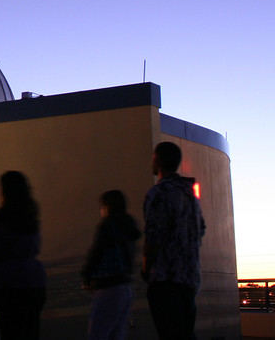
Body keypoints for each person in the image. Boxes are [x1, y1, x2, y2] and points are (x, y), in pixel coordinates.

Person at [142, 141, 206, 340]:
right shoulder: (190, 195)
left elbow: (154, 235)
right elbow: (201, 229)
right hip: (189, 278)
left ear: (157, 160)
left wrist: (146, 267)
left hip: (166, 279)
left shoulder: (159, 193)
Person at [0, 170, 47, 340]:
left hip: (8, 283)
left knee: (10, 332)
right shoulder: (32, 214)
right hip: (35, 281)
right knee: (31, 332)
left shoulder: (3, 217)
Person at [82, 189, 142, 340]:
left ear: (107, 207)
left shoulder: (108, 225)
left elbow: (97, 251)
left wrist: (86, 275)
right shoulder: (129, 225)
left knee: (97, 334)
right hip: (126, 288)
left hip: (107, 288)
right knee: (117, 334)